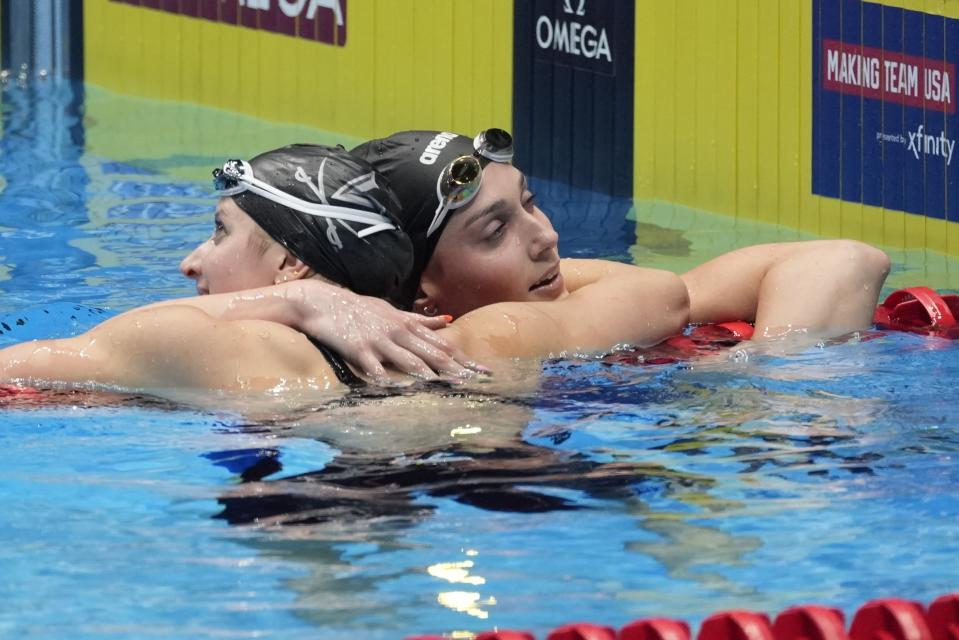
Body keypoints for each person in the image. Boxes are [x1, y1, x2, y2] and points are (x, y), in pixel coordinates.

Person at [351, 129, 891, 356]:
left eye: (530, 201)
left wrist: (766, 367)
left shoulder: (575, 303)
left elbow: (846, 259)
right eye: (497, 231)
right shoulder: (481, 343)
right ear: (422, 294)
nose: (544, 236)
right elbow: (665, 292)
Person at [0, 144, 483, 394]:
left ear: (291, 264)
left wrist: (294, 301)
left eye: (220, 231)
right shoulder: (451, 345)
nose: (190, 263)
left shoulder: (208, 345)